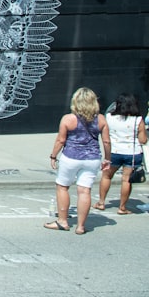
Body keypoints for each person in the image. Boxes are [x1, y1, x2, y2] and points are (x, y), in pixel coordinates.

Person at [46, 86, 110, 234]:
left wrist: (53, 155)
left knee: (62, 186)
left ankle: (62, 221)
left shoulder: (68, 119)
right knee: (84, 190)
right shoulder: (100, 119)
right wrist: (107, 159)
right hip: (92, 158)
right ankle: (81, 226)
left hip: (71, 156)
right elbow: (106, 142)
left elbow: (61, 140)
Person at [94, 92, 147, 214]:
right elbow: (143, 140)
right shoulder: (137, 120)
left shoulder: (109, 117)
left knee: (107, 176)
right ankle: (122, 207)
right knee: (126, 180)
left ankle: (101, 202)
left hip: (114, 152)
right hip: (132, 153)